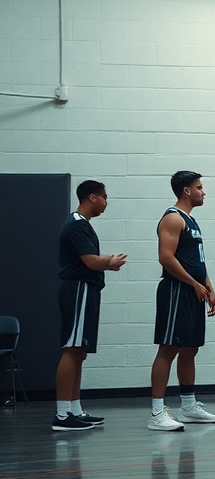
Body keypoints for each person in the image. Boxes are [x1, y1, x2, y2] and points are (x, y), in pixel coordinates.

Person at [147, 171, 215, 432]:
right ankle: (157, 412)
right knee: (168, 349)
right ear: (186, 190)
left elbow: (197, 261)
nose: (204, 192)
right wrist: (193, 283)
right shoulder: (172, 218)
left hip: (194, 292)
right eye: (200, 187)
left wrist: (208, 287)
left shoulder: (192, 221)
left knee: (190, 348)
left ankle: (188, 407)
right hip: (177, 291)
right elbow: (166, 258)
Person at [52, 180, 127, 431]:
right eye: (105, 197)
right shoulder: (76, 225)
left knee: (79, 352)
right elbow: (92, 262)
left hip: (86, 290)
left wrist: (105, 263)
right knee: (72, 348)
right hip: (79, 289)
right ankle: (62, 415)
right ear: (92, 197)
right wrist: (111, 261)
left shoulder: (82, 224)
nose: (107, 203)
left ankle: (74, 409)